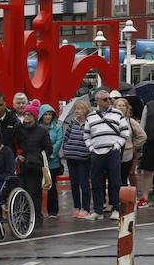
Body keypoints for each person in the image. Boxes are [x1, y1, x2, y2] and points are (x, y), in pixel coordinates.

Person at [85, 89, 129, 219]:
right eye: (105, 99)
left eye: (110, 99)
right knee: (96, 182)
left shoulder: (117, 114)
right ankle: (98, 210)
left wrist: (116, 146)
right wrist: (91, 148)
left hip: (112, 152)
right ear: (97, 101)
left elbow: (125, 133)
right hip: (96, 153)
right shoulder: (91, 116)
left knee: (115, 181)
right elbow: (86, 135)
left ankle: (116, 208)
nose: (109, 101)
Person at [13, 102, 52, 223]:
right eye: (25, 114)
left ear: (35, 116)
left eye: (29, 114)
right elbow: (15, 144)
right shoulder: (19, 129)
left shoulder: (42, 131)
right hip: (21, 167)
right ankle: (23, 216)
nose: (26, 117)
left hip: (35, 167)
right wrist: (19, 155)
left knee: (34, 193)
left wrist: (36, 157)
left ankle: (36, 217)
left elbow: (49, 149)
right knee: (21, 192)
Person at [62, 99, 93, 219]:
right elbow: (67, 136)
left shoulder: (90, 123)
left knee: (84, 183)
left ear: (85, 110)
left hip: (84, 158)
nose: (76, 111)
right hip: (71, 157)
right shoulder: (73, 122)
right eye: (75, 109)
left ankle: (85, 208)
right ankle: (77, 207)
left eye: (79, 109)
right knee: (74, 183)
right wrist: (66, 149)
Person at [114, 97, 146, 189]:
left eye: (123, 106)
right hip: (113, 152)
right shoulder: (110, 120)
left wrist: (134, 145)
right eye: (119, 105)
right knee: (114, 178)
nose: (121, 107)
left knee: (124, 177)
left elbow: (143, 136)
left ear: (127, 108)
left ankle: (125, 199)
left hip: (127, 153)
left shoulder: (131, 121)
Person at [39, 104, 64, 218]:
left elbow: (58, 142)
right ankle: (37, 211)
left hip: (52, 162)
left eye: (50, 114)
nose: (48, 117)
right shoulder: (37, 127)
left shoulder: (57, 128)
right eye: (45, 114)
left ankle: (53, 211)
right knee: (37, 187)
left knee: (52, 187)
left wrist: (50, 155)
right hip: (39, 162)